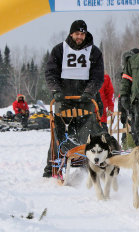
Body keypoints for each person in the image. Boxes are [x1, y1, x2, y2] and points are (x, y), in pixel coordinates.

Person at [42, 20, 104, 178]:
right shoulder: (59, 49)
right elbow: (50, 72)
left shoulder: (94, 52)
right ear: (71, 34)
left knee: (88, 132)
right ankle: (52, 167)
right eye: (77, 33)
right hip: (64, 99)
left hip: (85, 99)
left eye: (82, 34)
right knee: (58, 133)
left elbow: (97, 77)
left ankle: (89, 162)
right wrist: (56, 90)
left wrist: (89, 92)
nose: (79, 37)